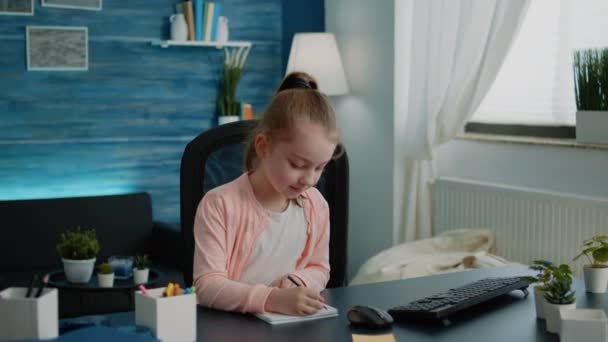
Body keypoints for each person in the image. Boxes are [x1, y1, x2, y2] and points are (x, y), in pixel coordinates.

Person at [193, 71, 342, 316]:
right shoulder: (219, 204)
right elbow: (207, 285)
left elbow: (319, 267)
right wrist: (272, 299)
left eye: (319, 167)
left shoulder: (316, 205)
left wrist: (297, 281)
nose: (309, 179)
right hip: (231, 328)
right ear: (263, 147)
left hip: (290, 327)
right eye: (297, 164)